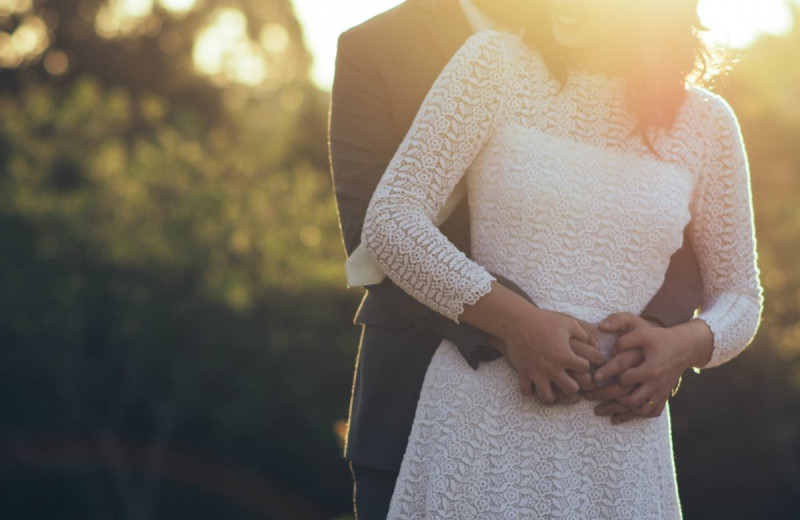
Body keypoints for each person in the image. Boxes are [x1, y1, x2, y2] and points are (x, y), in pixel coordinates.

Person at [358, 0, 763, 517]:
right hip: (481, 425)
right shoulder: (492, 64)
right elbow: (392, 220)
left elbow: (740, 295)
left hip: (619, 445)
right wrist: (518, 324)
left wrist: (684, 345)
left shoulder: (708, 124)